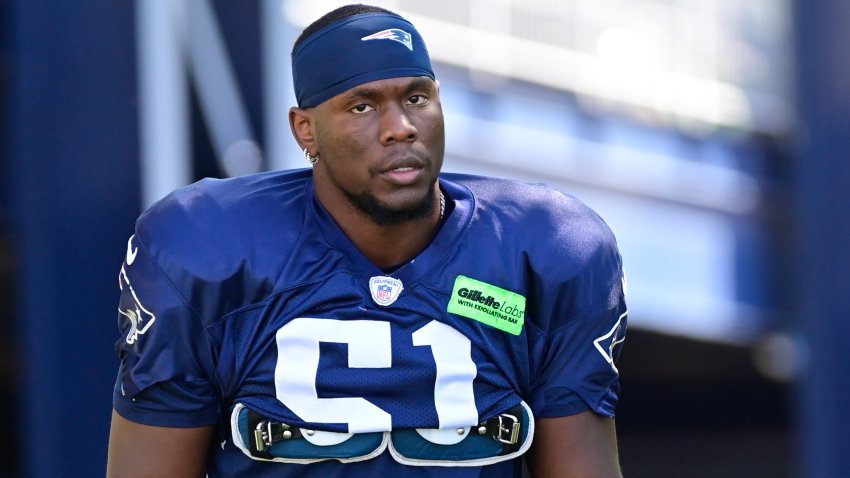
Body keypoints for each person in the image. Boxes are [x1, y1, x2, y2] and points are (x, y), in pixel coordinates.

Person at [106, 4, 628, 477]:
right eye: (362, 106)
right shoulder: (205, 249)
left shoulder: (548, 250)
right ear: (305, 130)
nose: (400, 127)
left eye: (416, 98)